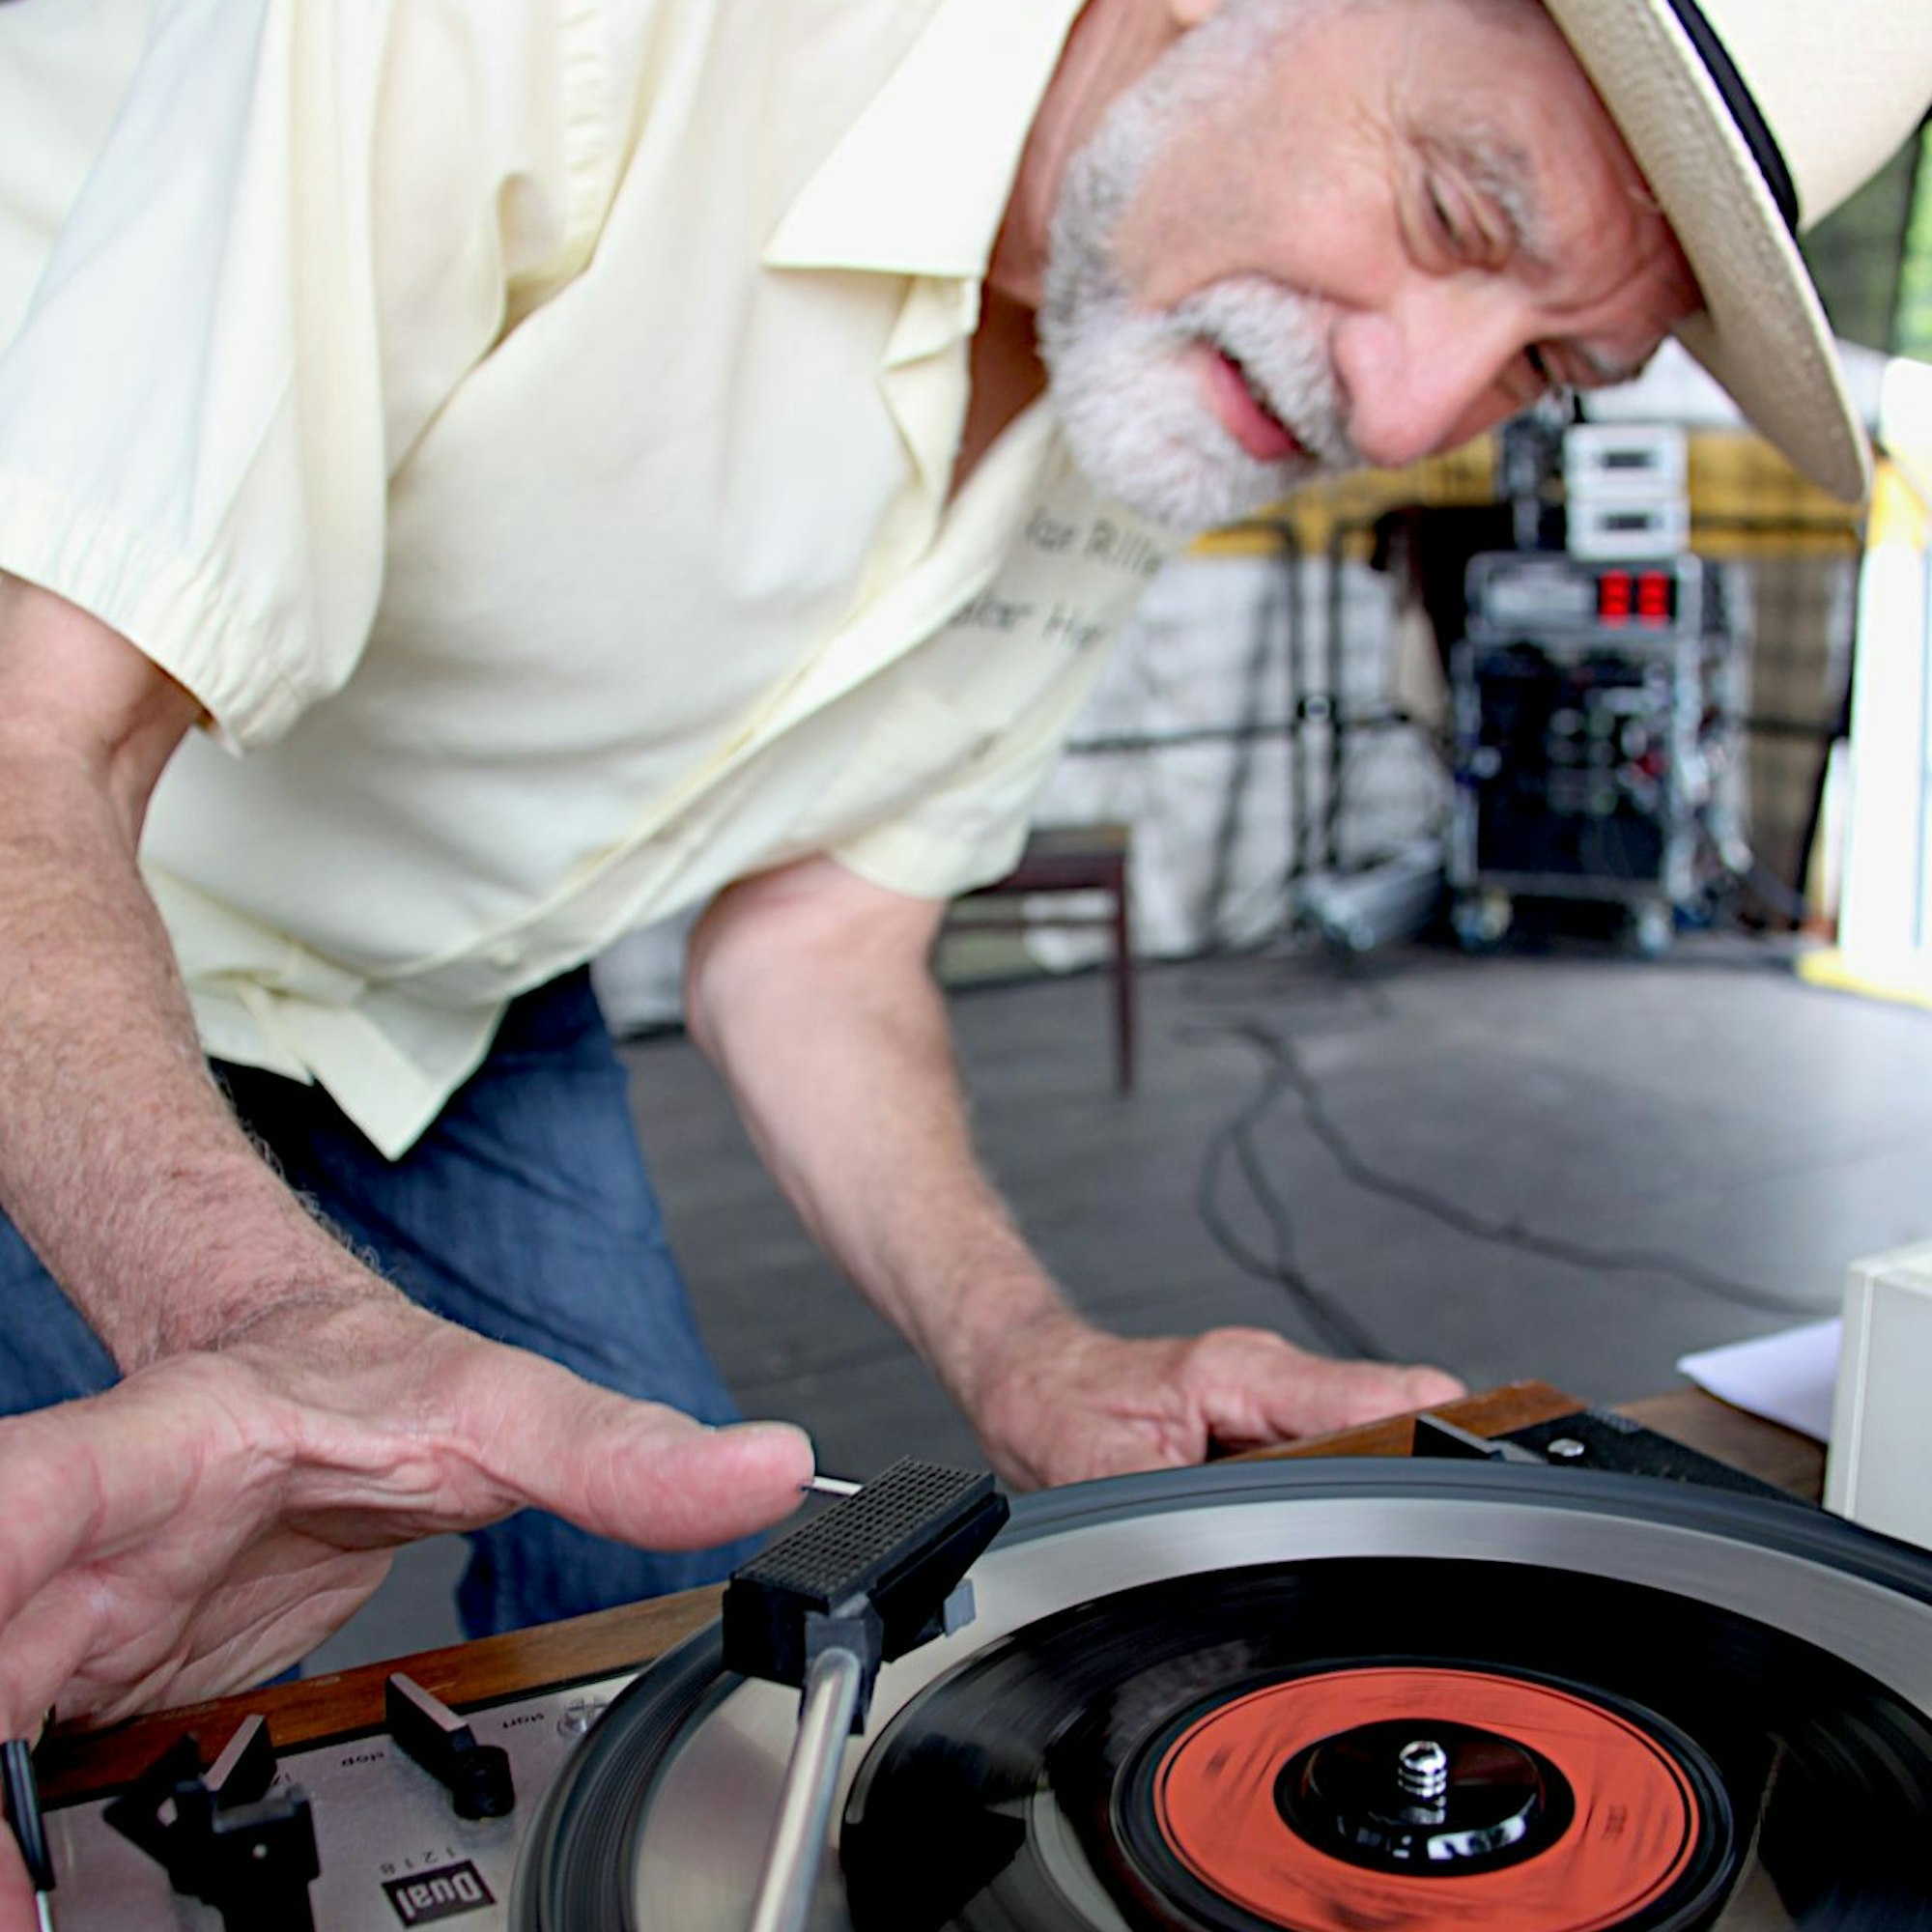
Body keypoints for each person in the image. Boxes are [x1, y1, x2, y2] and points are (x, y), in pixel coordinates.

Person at [0, 0, 1924, 1778]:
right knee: (82, 1641)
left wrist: (1030, 1353)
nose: (1408, 411)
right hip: (60, 896)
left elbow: (822, 929)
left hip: (448, 986)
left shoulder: (1150, 340)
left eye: (1545, 367)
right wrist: (243, 1296)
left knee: (671, 1570)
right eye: (1445, 206)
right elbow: (35, 736)